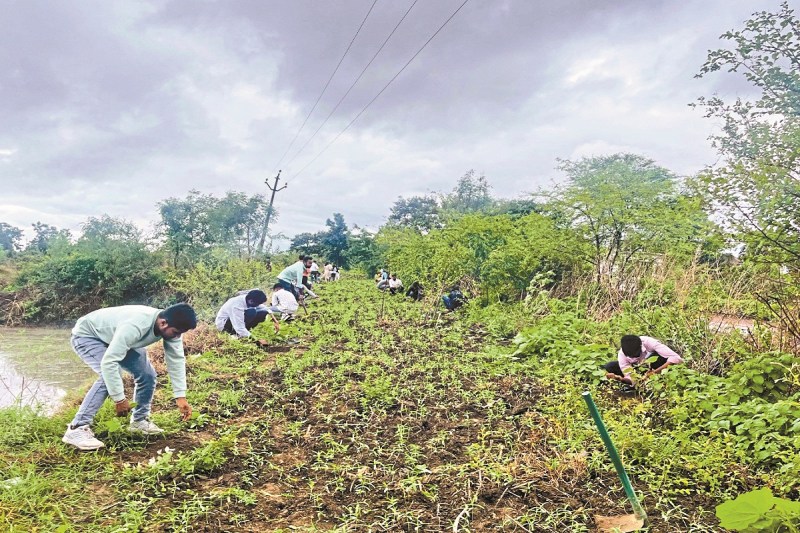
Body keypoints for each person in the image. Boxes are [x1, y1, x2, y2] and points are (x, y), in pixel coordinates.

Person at [61, 304, 197, 451]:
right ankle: (77, 428)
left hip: (116, 336)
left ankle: (139, 421)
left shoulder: (171, 327)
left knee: (147, 375)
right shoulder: (136, 325)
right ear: (163, 323)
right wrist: (119, 399)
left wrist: (180, 396)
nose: (177, 337)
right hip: (88, 335)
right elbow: (109, 362)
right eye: (176, 332)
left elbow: (176, 360)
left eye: (180, 333)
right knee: (109, 376)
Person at [604, 335, 684, 391]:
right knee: (610, 366)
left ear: (640, 346)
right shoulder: (622, 355)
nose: (635, 358)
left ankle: (657, 378)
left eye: (636, 355)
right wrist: (619, 378)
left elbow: (676, 358)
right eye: (632, 357)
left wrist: (655, 373)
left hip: (655, 366)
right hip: (639, 371)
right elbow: (631, 378)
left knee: (657, 357)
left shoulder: (648, 342)